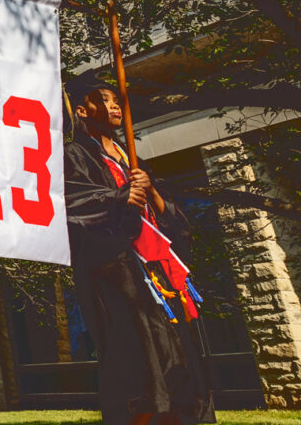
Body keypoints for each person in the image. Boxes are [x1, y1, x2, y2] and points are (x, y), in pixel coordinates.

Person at [64, 78, 215, 425]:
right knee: (142, 363)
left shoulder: (132, 158)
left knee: (180, 361)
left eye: (116, 100)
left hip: (155, 273)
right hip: (116, 276)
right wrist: (119, 198)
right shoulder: (74, 155)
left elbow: (173, 220)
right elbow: (73, 205)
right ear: (82, 110)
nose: (115, 105)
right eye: (104, 100)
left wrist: (151, 193)